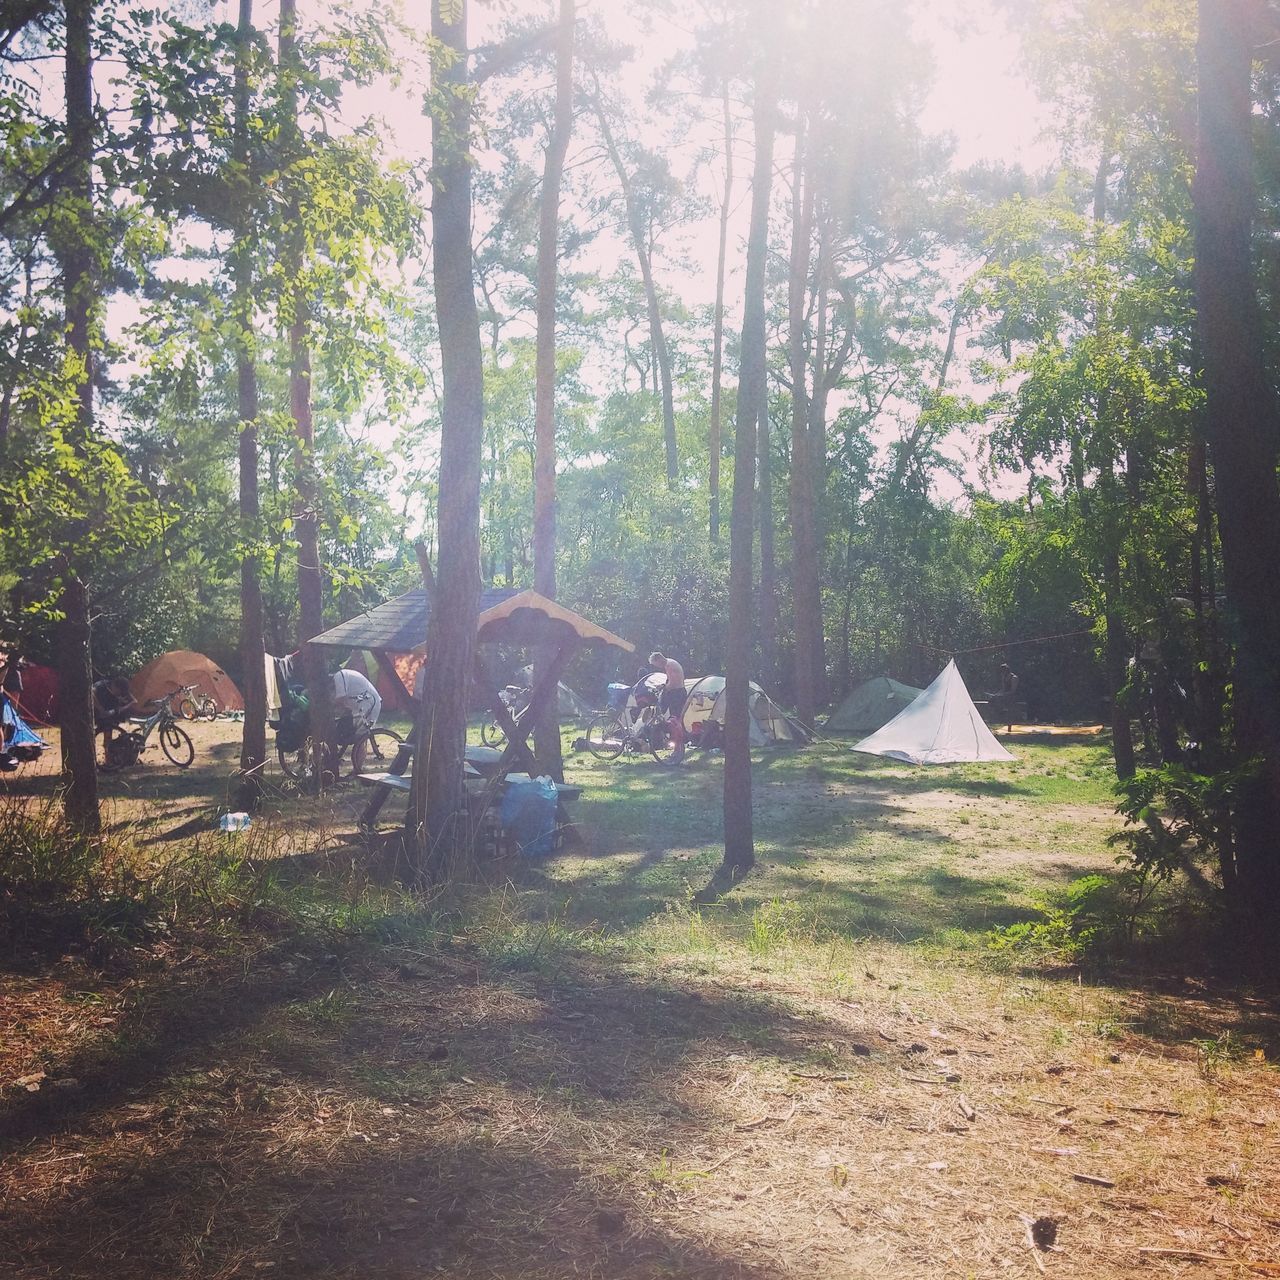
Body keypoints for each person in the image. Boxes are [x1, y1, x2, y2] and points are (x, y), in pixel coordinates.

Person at [648, 650, 686, 762]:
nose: (657, 667)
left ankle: (677, 749)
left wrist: (664, 689)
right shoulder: (669, 664)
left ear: (659, 659)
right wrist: (664, 686)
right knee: (671, 718)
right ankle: (675, 747)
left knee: (675, 722)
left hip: (678, 694)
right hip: (675, 693)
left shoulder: (670, 665)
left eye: (656, 664)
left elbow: (674, 683)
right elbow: (669, 681)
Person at [92, 676, 138, 763]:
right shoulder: (102, 685)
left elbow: (134, 701)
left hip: (110, 712)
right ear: (115, 686)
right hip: (98, 711)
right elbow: (91, 692)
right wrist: (100, 708)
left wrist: (123, 706)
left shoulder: (122, 690)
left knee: (108, 735)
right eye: (119, 692)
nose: (119, 694)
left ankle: (109, 759)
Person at [331, 665, 382, 743]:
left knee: (360, 738)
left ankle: (359, 754)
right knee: (358, 737)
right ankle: (358, 754)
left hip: (368, 703)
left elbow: (340, 698)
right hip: (363, 704)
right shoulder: (344, 674)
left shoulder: (339, 675)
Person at [998, 662, 1019, 733]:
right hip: (1006, 696)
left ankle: (1009, 728)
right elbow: (1003, 688)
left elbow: (1013, 690)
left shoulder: (1014, 678)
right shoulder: (1003, 677)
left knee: (1010, 712)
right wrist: (999, 694)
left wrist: (1005, 694)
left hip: (1013, 697)